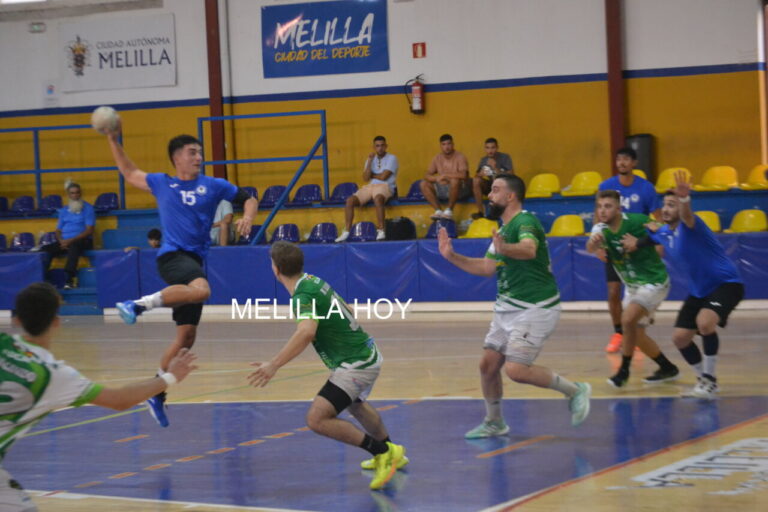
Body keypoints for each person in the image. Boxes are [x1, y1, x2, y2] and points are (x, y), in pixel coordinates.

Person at [103, 120, 258, 428]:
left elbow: (249, 198)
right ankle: (138, 305)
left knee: (186, 338)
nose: (198, 157)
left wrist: (248, 217)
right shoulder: (163, 183)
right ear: (176, 158)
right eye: (192, 152)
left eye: (200, 152)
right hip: (173, 257)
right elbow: (129, 172)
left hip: (194, 260)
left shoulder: (214, 185)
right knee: (203, 290)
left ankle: (156, 392)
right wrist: (112, 139)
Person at [0, 282, 198, 512]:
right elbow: (119, 399)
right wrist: (170, 377)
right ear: (56, 322)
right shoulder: (53, 375)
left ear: (16, 319)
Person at [438, 174, 591, 438]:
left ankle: (575, 390)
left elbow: (529, 249)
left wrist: (505, 249)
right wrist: (451, 256)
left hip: (535, 307)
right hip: (507, 308)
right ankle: (495, 422)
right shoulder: (503, 230)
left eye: (495, 190)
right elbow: (487, 267)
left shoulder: (525, 221)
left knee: (516, 370)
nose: (489, 195)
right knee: (488, 365)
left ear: (510, 196)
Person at [248, 241, 407, 490]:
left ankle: (383, 453)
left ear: (276, 269)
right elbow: (347, 308)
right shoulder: (312, 280)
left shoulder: (302, 296)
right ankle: (391, 449)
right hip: (365, 353)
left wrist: (274, 364)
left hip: (356, 363)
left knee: (317, 418)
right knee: (356, 405)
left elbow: (306, 332)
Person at [644, 170, 744, 399]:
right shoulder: (664, 232)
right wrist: (632, 243)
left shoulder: (692, 225)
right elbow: (650, 237)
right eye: (665, 205)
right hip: (699, 292)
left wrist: (684, 199)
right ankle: (702, 380)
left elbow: (687, 215)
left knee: (705, 323)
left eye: (672, 205)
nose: (666, 209)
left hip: (726, 284)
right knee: (680, 338)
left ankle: (709, 381)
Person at [586, 190, 679, 388]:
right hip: (633, 287)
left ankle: (624, 371)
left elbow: (665, 232)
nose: (602, 211)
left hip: (653, 282)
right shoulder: (600, 229)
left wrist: (644, 242)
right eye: (600, 207)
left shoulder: (637, 221)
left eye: (608, 206)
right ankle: (668, 367)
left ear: (619, 209)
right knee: (637, 335)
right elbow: (590, 247)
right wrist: (594, 246)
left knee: (627, 320)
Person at [598, 147, 662, 353]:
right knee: (613, 291)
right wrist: (598, 244)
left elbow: (658, 218)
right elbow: (598, 216)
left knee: (639, 293)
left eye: (626, 159)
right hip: (614, 246)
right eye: (619, 159)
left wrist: (658, 242)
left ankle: (636, 334)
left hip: (638, 249)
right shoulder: (606, 186)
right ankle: (618, 333)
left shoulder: (646, 188)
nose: (622, 163)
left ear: (634, 163)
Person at [336, 135, 398, 242]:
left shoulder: (392, 158)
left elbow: (384, 177)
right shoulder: (370, 159)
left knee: (378, 198)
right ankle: (346, 231)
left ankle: (381, 230)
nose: (380, 148)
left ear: (386, 146)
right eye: (377, 146)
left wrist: (372, 175)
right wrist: (369, 161)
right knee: (350, 200)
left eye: (382, 145)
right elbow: (365, 178)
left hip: (385, 186)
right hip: (370, 187)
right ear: (374, 147)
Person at [39, 181, 94, 289]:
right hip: (64, 241)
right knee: (45, 249)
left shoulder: (88, 208)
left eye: (77, 193)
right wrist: (61, 241)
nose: (75, 195)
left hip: (82, 240)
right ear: (68, 195)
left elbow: (89, 230)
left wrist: (70, 241)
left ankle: (69, 279)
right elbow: (58, 230)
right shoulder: (64, 210)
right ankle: (42, 279)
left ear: (80, 193)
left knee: (74, 246)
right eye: (72, 193)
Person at [420, 134, 470, 220]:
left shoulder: (460, 157)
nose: (446, 147)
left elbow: (464, 175)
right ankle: (438, 211)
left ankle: (449, 210)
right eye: (444, 144)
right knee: (423, 184)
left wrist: (445, 175)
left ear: (453, 144)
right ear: (440, 146)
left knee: (454, 180)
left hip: (459, 190)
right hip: (443, 187)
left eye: (449, 144)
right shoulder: (437, 158)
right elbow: (427, 175)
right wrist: (437, 178)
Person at [471, 138, 514, 220]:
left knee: (496, 180)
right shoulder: (484, 160)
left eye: (492, 147)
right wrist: (480, 174)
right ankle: (480, 212)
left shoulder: (505, 157)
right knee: (476, 180)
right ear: (485, 149)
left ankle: (495, 211)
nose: (490, 151)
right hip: (490, 186)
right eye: (487, 148)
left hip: (504, 186)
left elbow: (511, 175)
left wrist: (495, 168)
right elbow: (476, 175)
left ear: (497, 148)